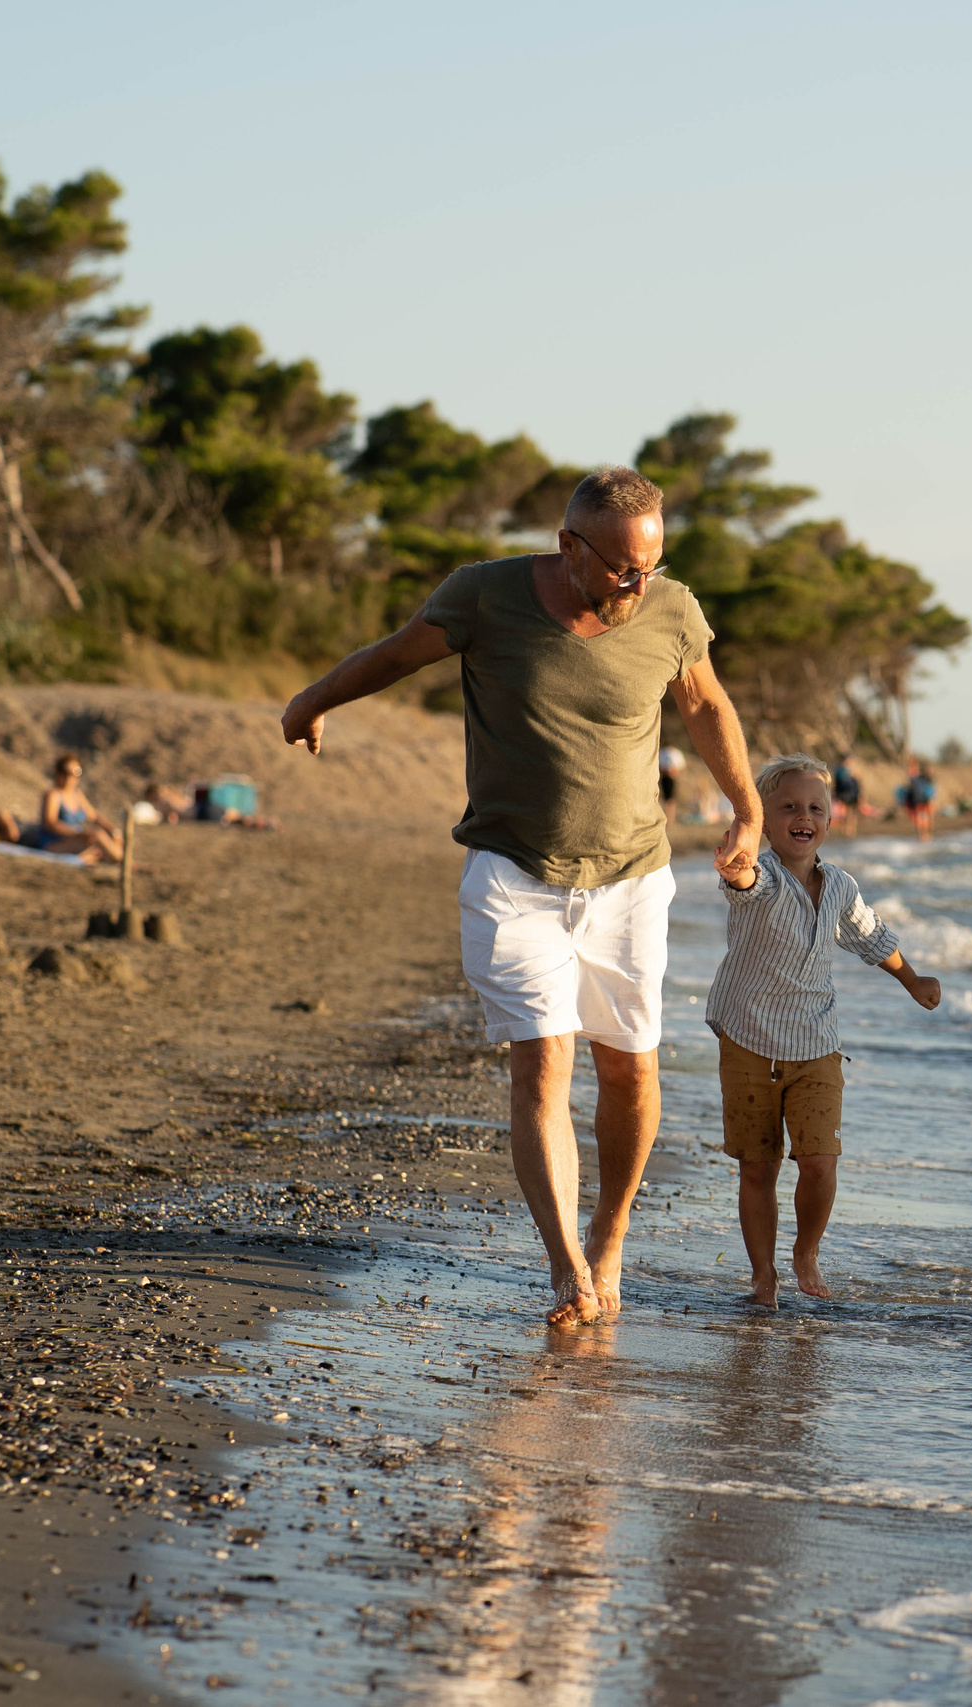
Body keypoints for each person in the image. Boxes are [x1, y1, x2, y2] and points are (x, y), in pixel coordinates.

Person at [280, 466, 763, 1331]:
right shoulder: (485, 596)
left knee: (630, 1067)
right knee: (544, 1063)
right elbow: (395, 654)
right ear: (568, 545)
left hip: (631, 880)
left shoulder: (670, 609)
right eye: (620, 566)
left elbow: (706, 704)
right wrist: (315, 699)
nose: (636, 584)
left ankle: (609, 1238)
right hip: (513, 875)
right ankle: (568, 1265)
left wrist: (748, 809)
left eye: (650, 565)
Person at [710, 754, 941, 1304]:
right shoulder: (761, 877)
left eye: (815, 806)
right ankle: (762, 1275)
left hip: (817, 1044)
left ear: (831, 819)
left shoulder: (838, 885)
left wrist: (912, 980)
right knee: (758, 1168)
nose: (802, 815)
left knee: (819, 1163)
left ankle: (805, 1251)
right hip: (747, 1039)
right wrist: (733, 860)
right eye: (787, 806)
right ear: (764, 818)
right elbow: (742, 880)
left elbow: (870, 936)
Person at [20, 754, 124, 863]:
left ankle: (121, 861)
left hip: (74, 839)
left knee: (103, 837)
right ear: (58, 773)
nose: (70, 777)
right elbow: (50, 824)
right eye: (66, 772)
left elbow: (95, 817)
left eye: (76, 773)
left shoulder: (77, 795)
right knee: (97, 838)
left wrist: (113, 831)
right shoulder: (53, 794)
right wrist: (78, 833)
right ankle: (124, 862)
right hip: (55, 843)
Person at [902, 761, 937, 839]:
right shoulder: (916, 779)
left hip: (927, 801)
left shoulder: (930, 780)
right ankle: (921, 835)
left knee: (929, 818)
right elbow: (907, 786)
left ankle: (929, 834)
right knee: (919, 819)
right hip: (918, 801)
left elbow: (932, 791)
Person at [829, 758, 861, 834]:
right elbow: (837, 783)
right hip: (846, 794)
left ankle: (851, 828)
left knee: (852, 812)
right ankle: (847, 828)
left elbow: (858, 785)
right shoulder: (841, 771)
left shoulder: (852, 771)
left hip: (853, 793)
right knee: (846, 811)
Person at [657, 746, 687, 824]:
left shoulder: (670, 753)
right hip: (665, 778)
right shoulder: (665, 753)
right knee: (666, 799)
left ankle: (670, 818)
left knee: (671, 799)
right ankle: (667, 817)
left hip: (671, 778)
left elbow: (681, 767)